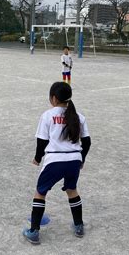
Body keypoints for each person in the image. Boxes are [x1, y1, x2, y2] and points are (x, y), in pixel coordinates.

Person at [22, 82, 91, 245]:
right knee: (72, 190)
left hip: (55, 159)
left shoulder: (48, 115)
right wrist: (82, 159)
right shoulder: (79, 116)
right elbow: (87, 142)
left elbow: (42, 141)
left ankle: (33, 232)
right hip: (74, 159)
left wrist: (37, 158)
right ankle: (79, 226)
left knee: (40, 192)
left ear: (53, 98)